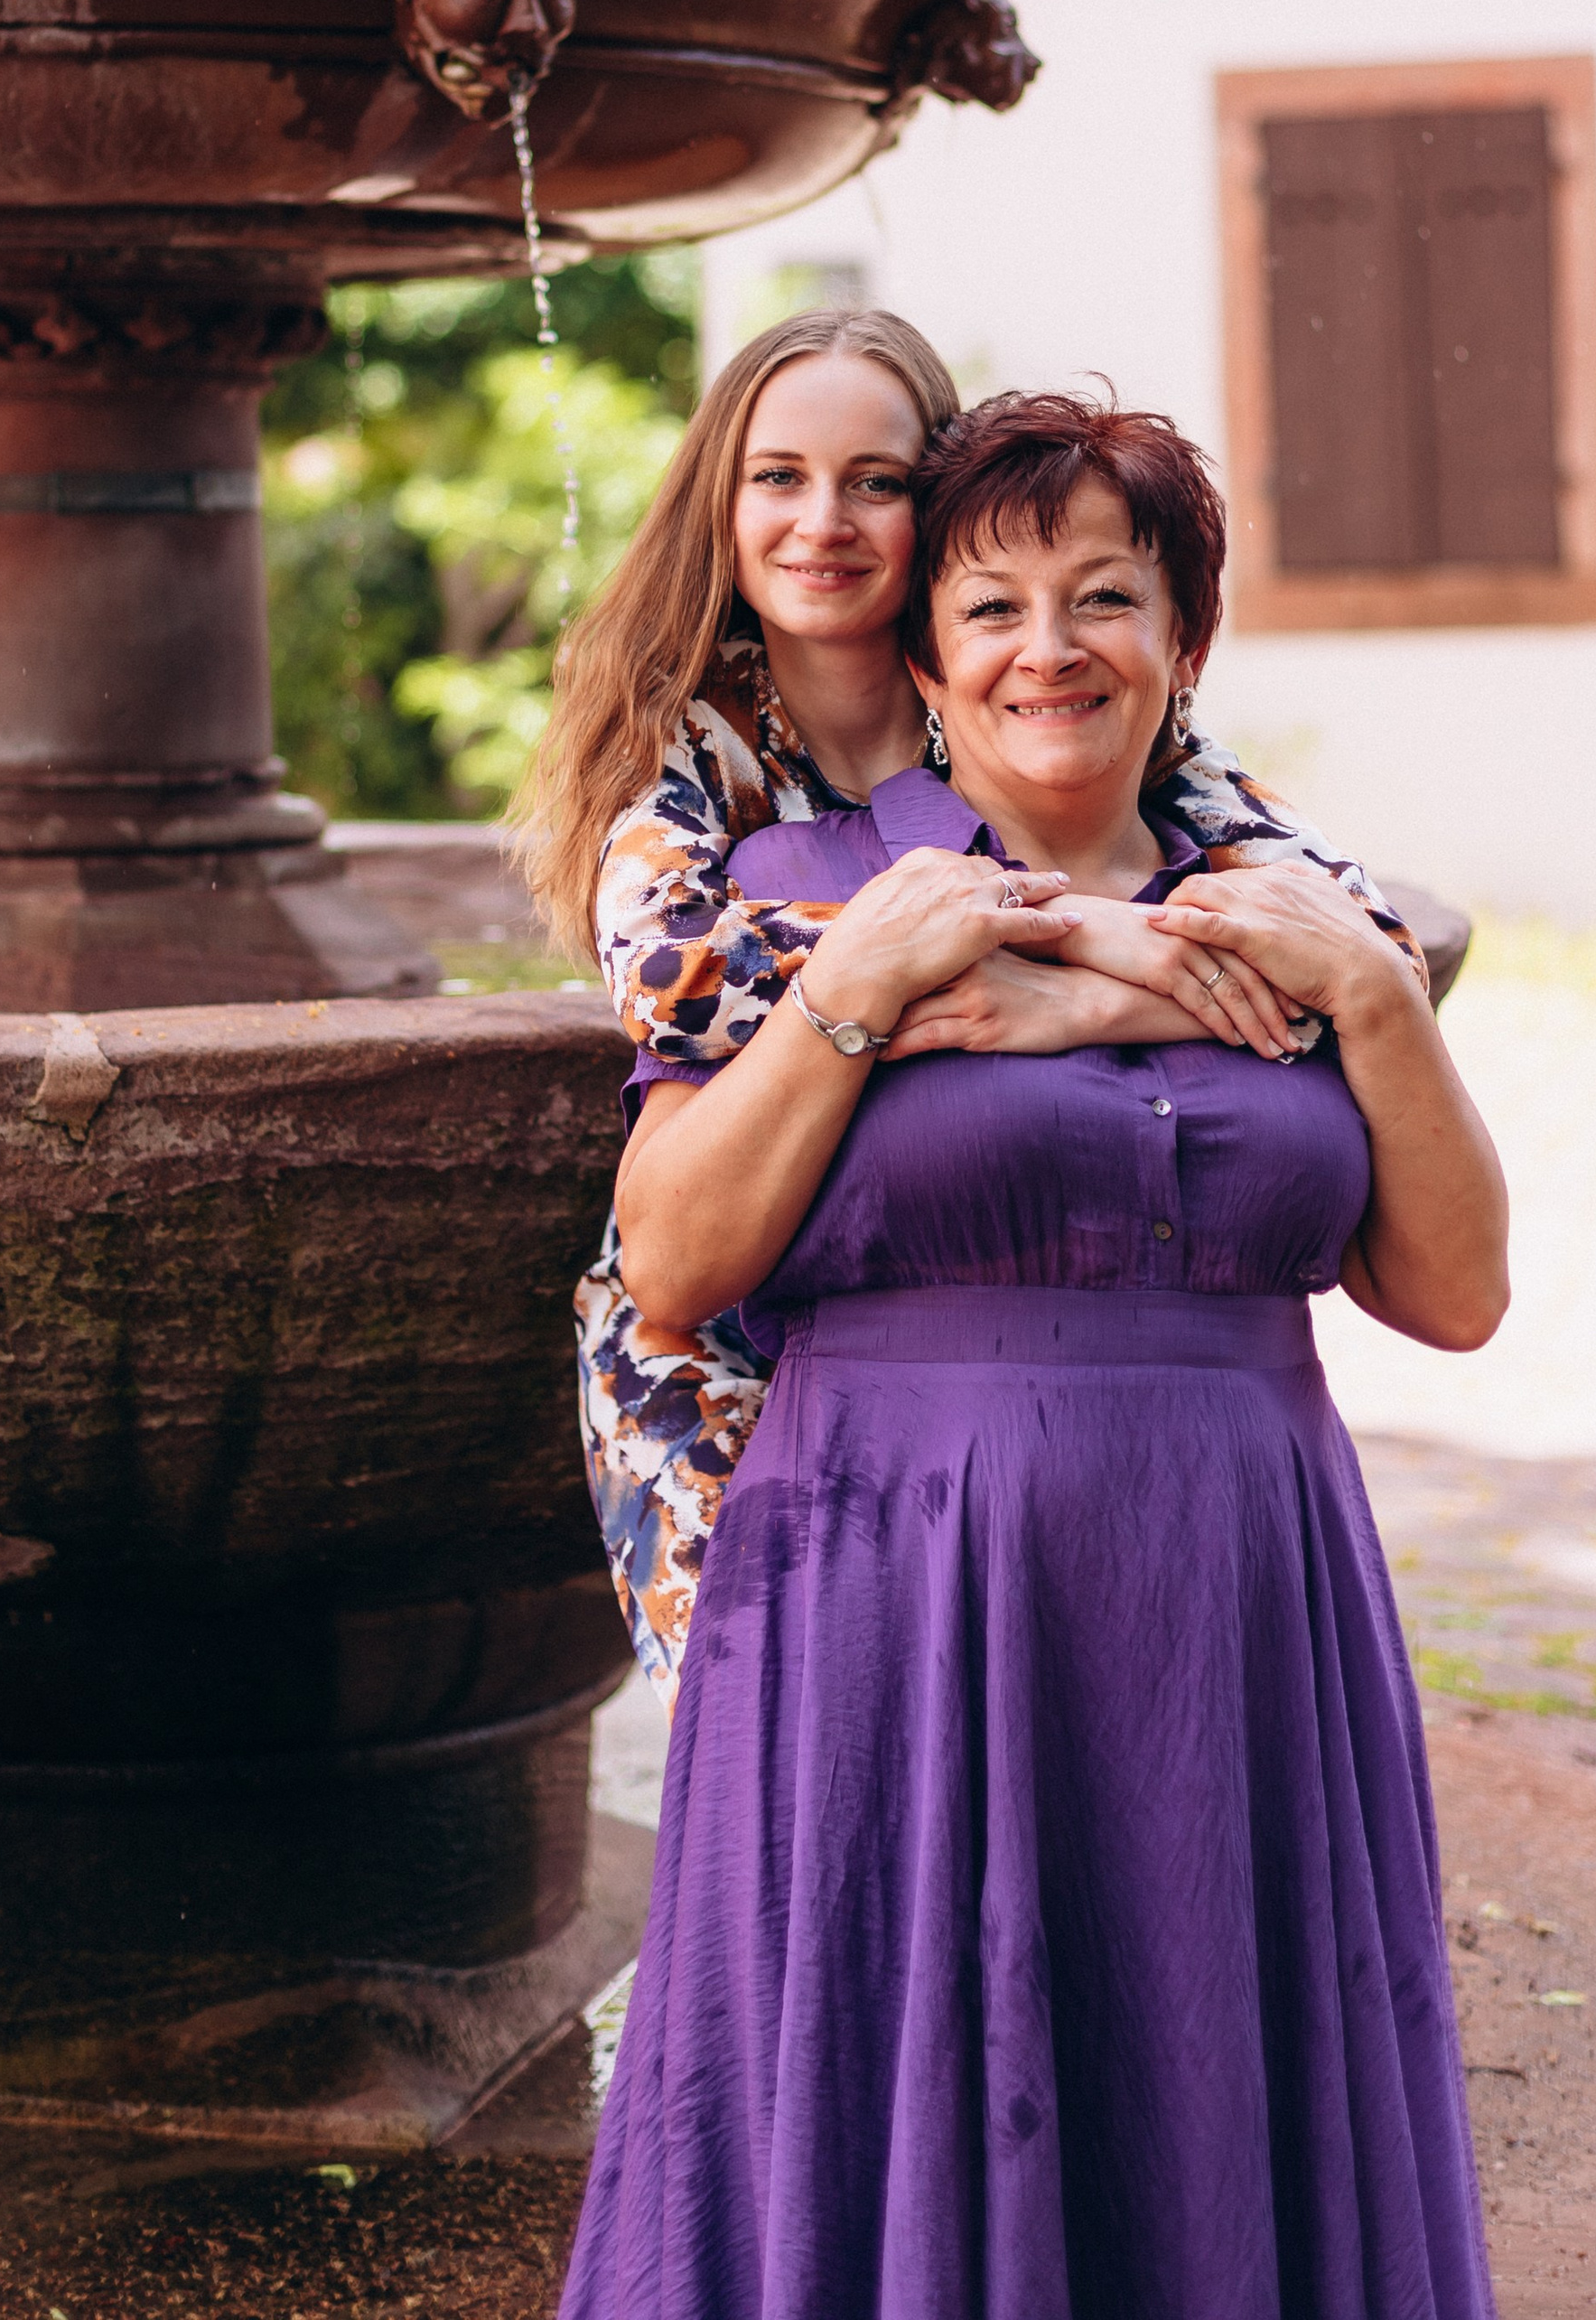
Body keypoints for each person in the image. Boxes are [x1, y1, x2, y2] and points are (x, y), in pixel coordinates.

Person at [558, 393, 1507, 2320]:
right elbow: (668, 1259)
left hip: (1233, 1600)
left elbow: (1454, 1292)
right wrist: (850, 995)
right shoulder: (806, 898)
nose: (1045, 647)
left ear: (1180, 649)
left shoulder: (1297, 913)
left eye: (1102, 599)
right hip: (886, 1595)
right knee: (875, 2073)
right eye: (988, 606)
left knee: (1210, 2089)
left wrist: (1364, 996)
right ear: (923, 657)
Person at [517, 311, 1429, 1707]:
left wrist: (1073, 1001)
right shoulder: (696, 736)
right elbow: (674, 980)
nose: (826, 520)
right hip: (715, 1330)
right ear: (719, 498)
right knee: (798, 1725)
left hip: (1000, 1277)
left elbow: (1353, 942)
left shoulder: (1050, 673)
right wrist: (1087, 945)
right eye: (778, 476)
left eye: (877, 480)